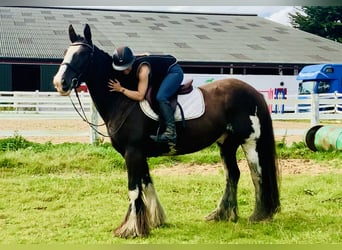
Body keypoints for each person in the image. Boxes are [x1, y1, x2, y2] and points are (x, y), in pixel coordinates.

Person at [108, 46, 184, 145]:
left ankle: (171, 132)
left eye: (126, 68)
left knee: (161, 97)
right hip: (159, 72)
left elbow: (140, 96)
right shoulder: (130, 58)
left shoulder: (143, 70)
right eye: (122, 68)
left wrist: (121, 89)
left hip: (173, 71)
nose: (124, 71)